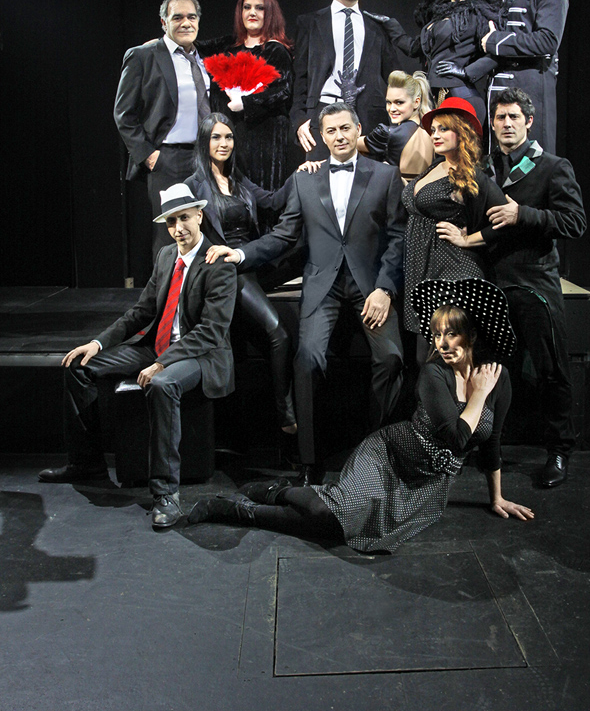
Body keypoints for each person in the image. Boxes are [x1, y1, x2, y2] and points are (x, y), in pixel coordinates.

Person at [186, 277, 534, 554]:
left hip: (424, 483)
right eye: (436, 334)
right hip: (388, 455)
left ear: (471, 335)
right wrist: (479, 394)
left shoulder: (497, 377)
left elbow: (492, 441)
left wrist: (497, 498)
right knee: (327, 514)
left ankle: (266, 497)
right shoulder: (433, 375)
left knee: (334, 526)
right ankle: (247, 505)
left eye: (451, 334)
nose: (441, 343)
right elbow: (457, 437)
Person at [207, 102, 406, 479]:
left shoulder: (385, 175)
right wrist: (242, 253)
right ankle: (310, 461)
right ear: (322, 137)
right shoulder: (306, 180)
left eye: (345, 128)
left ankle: (378, 453)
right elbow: (284, 235)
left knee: (392, 357)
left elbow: (398, 237)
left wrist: (384, 289)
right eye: (331, 131)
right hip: (323, 285)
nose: (339, 136)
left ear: (358, 129)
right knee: (307, 359)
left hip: (370, 286)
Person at [38, 184, 237, 529]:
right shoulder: (166, 256)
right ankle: (86, 463)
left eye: (184, 218)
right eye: (171, 221)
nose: (178, 228)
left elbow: (211, 331)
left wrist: (162, 363)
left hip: (200, 354)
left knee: (162, 384)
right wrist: (97, 344)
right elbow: (141, 311)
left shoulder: (217, 263)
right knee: (79, 366)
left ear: (199, 215)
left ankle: (166, 494)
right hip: (156, 346)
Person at [483, 87, 586, 487]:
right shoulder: (486, 166)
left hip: (535, 284)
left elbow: (574, 223)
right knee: (495, 372)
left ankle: (559, 451)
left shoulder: (553, 166)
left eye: (514, 117)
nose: (507, 124)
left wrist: (522, 214)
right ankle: (490, 448)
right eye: (500, 117)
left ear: (529, 121)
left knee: (551, 371)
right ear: (493, 124)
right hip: (494, 285)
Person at [183, 112, 297, 434]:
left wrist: (300, 174)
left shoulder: (238, 179)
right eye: (216, 137)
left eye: (229, 137)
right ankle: (285, 413)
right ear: (204, 142)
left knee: (303, 252)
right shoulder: (193, 186)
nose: (224, 143)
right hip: (228, 269)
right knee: (278, 333)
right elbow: (189, 239)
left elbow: (273, 201)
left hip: (251, 260)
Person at [401, 97, 506, 359]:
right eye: (433, 130)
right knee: (425, 358)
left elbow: (506, 222)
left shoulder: (472, 174)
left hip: (451, 271)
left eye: (443, 129)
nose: (435, 135)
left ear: (462, 132)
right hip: (422, 269)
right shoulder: (436, 166)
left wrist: (468, 239)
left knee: (441, 357)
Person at [114, 0, 212, 259]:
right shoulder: (143, 56)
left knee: (207, 230)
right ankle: (167, 287)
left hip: (206, 158)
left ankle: (202, 285)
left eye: (191, 17)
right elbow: (123, 114)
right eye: (177, 17)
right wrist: (149, 155)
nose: (186, 23)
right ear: (163, 22)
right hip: (168, 159)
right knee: (171, 235)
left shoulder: (205, 58)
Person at [472, 0, 569, 153]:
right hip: (500, 99)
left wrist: (496, 41)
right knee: (498, 169)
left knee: (532, 169)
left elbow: (547, 41)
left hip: (530, 98)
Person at [384, 0, 508, 129]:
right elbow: (413, 48)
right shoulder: (440, 12)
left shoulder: (479, 12)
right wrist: (389, 24)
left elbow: (497, 53)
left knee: (462, 149)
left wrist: (466, 72)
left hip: (461, 97)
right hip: (435, 97)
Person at [291, 0, 401, 160]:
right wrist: (298, 119)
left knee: (366, 180)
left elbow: (395, 77)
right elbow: (300, 77)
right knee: (320, 179)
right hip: (321, 116)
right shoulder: (310, 23)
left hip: (368, 120)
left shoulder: (377, 26)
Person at [199, 0, 293, 195]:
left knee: (263, 197)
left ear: (270, 13)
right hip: (230, 137)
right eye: (247, 7)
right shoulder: (227, 47)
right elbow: (192, 45)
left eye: (260, 8)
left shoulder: (275, 50)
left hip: (265, 140)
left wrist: (246, 103)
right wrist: (161, 43)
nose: (252, 13)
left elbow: (283, 92)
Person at [357, 70, 435, 182]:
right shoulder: (432, 131)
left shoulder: (387, 134)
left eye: (399, 102)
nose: (392, 109)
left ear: (416, 102)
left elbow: (350, 143)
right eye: (389, 102)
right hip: (424, 191)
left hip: (398, 192)